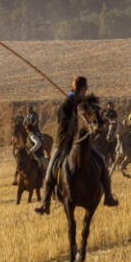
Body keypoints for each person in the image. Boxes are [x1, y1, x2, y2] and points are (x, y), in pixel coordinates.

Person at [35, 75, 118, 214]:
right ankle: (45, 204)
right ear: (82, 89)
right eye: (84, 89)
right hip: (64, 143)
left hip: (82, 143)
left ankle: (108, 196)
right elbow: (62, 121)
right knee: (50, 172)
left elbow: (96, 114)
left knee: (102, 163)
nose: (85, 91)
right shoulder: (66, 105)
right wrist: (76, 115)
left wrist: (102, 116)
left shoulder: (85, 103)